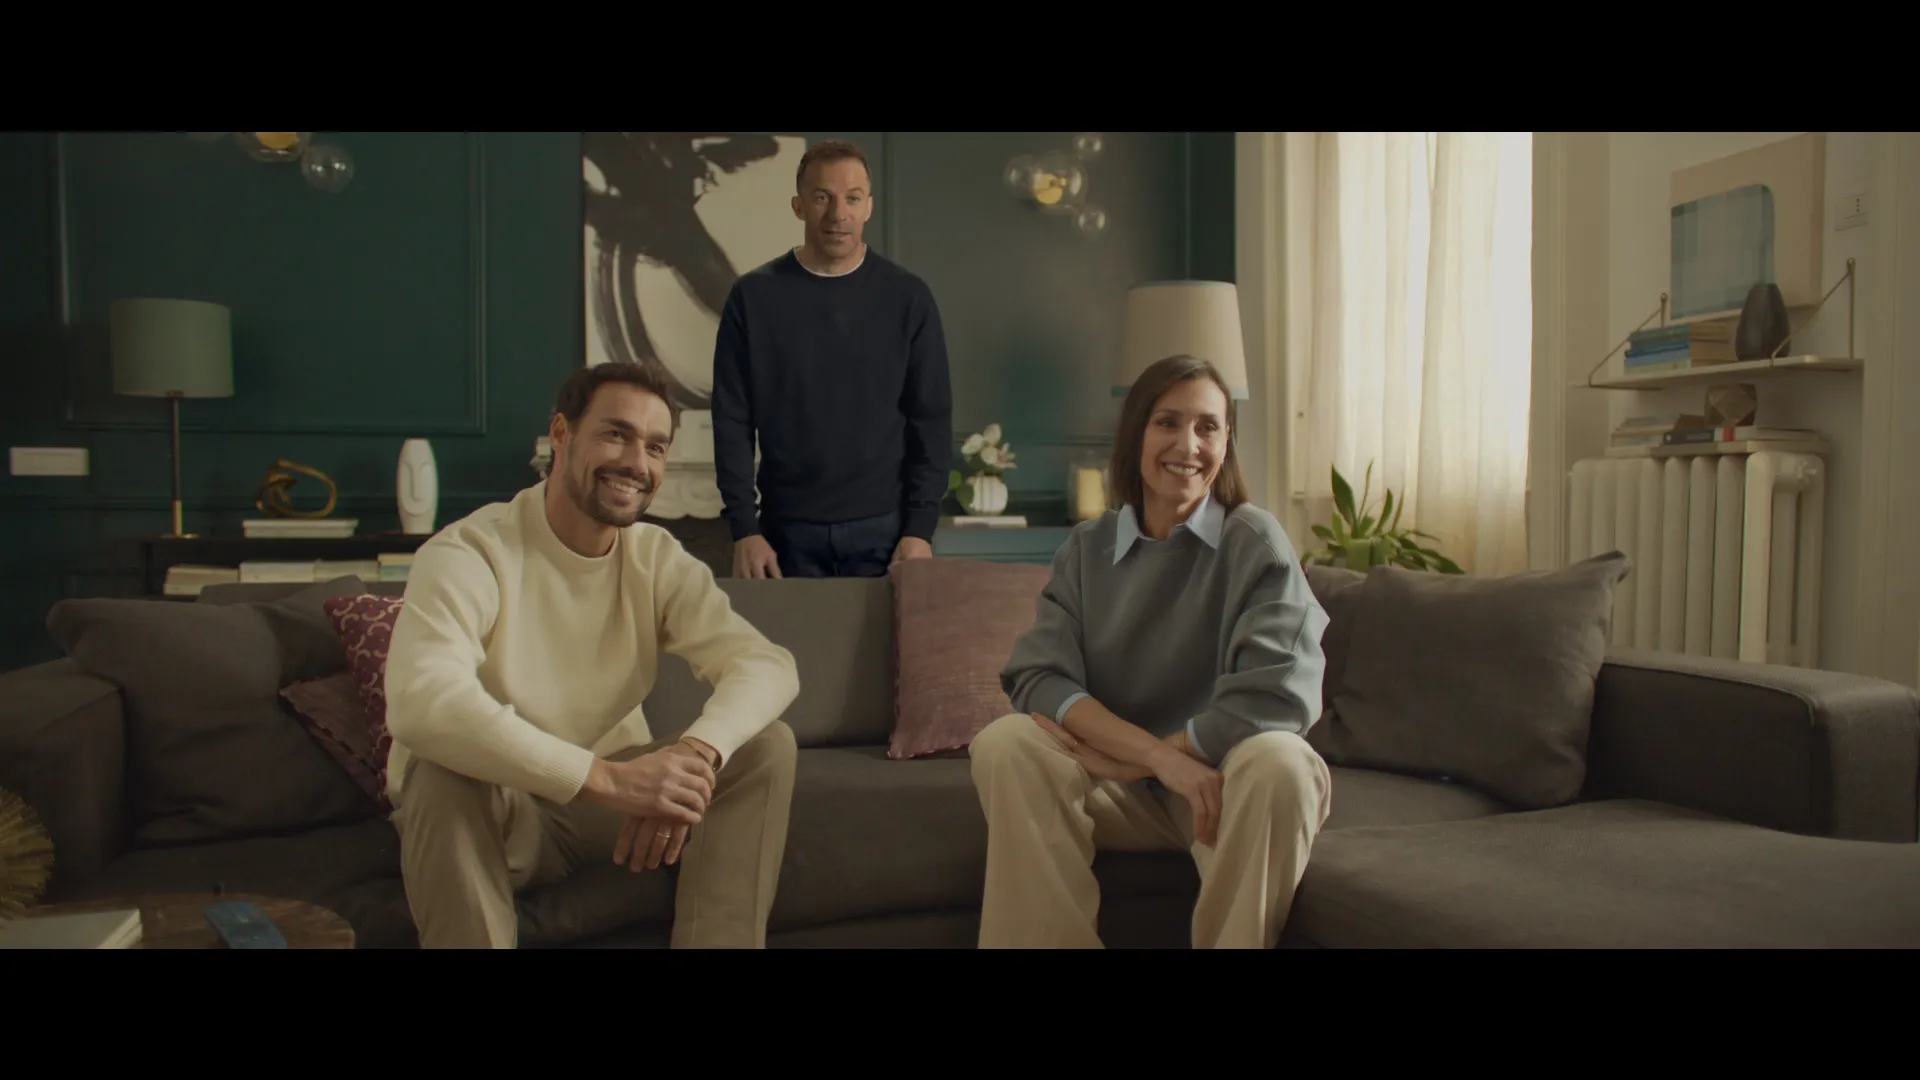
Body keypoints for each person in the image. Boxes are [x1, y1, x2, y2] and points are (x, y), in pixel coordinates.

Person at [383, 360, 801, 949]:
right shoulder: (472, 550)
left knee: (763, 746)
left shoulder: (655, 558)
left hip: (600, 817)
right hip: (501, 810)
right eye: (615, 434)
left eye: (655, 447)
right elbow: (422, 701)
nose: (636, 463)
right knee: (439, 770)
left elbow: (767, 664)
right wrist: (604, 780)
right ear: (561, 433)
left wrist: (694, 756)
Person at [973, 353, 1334, 949]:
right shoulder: (1086, 548)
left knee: (1283, 761)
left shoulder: (1256, 541)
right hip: (1115, 789)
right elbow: (1040, 677)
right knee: (1006, 742)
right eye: (1168, 422)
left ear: (1226, 442)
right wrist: (1152, 759)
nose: (1188, 444)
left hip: (1221, 791)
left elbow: (1278, 694)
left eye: (1207, 426)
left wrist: (1166, 757)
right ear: (1136, 433)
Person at [711, 138, 953, 580]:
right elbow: (731, 419)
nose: (838, 214)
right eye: (823, 197)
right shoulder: (753, 297)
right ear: (799, 205)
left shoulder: (909, 298)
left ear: (868, 207)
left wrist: (920, 530)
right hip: (783, 536)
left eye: (852, 198)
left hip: (886, 535)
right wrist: (744, 528)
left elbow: (931, 421)